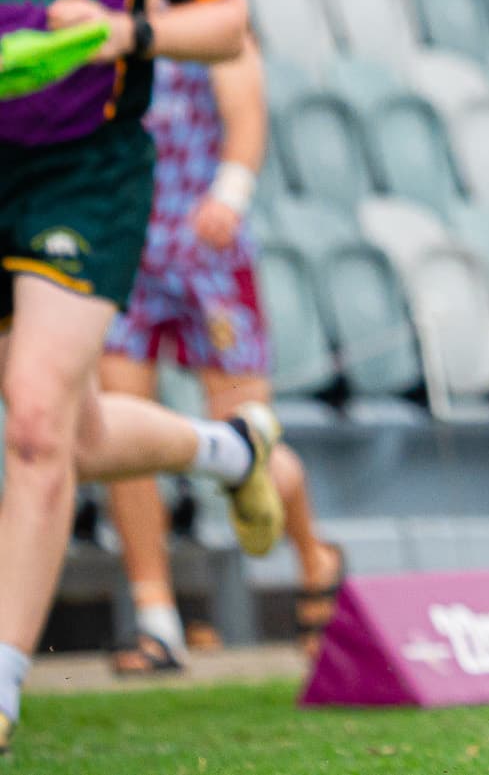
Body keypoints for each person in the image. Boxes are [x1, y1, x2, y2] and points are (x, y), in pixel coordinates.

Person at [0, 0, 283, 759]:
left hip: (85, 174)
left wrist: (126, 34)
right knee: (66, 431)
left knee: (32, 422)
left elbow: (228, 22)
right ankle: (226, 451)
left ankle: (7, 688)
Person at [100, 44, 345, 672]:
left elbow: (246, 110)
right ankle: (158, 622)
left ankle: (315, 559)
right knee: (118, 431)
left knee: (253, 440)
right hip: (124, 246)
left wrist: (230, 195)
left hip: (209, 247)